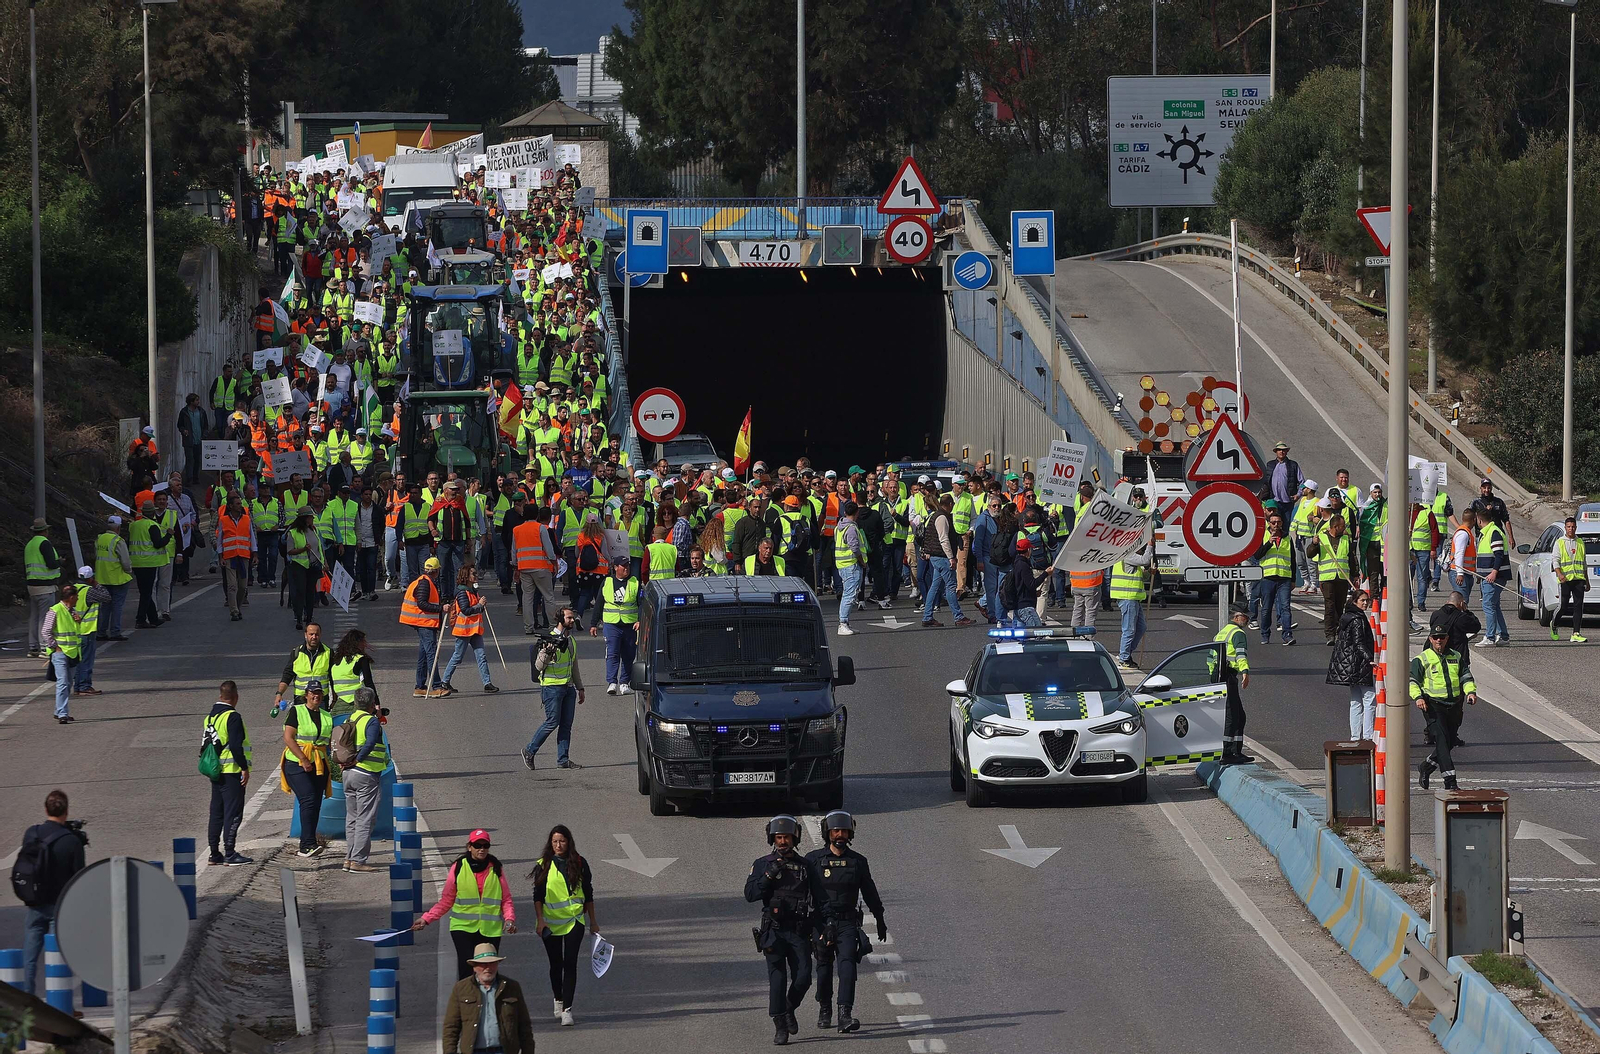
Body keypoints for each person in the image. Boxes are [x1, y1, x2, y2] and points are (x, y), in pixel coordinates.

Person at [744, 815, 825, 1046]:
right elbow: (750, 895)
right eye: (779, 837)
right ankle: (780, 1024)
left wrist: (824, 927)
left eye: (786, 837)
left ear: (794, 838)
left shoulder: (806, 866)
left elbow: (820, 899)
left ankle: (788, 1008)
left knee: (804, 977)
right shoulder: (762, 863)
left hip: (799, 930)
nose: (782, 842)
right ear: (773, 839)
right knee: (777, 979)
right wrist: (769, 875)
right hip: (774, 930)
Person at [804, 811, 886, 1034]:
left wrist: (879, 917)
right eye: (835, 831)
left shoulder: (858, 861)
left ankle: (844, 1014)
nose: (840, 835)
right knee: (823, 969)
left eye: (844, 831)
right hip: (821, 923)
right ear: (827, 833)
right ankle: (824, 1007)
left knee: (848, 967)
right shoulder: (812, 860)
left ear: (851, 833)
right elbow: (801, 892)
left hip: (848, 923)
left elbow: (869, 891)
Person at [415, 831, 517, 979]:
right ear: (469, 847)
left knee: (487, 972)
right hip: (462, 927)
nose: (481, 849)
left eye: (485, 845)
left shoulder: (495, 868)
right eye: (477, 845)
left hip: (490, 929)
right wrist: (426, 919)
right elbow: (446, 900)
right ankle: (466, 1001)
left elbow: (505, 899)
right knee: (467, 970)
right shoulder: (458, 867)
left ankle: (486, 1001)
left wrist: (509, 919)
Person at [15, 790, 87, 994]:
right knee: (58, 958)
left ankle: (27, 1001)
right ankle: (61, 1004)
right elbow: (79, 878)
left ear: (46, 809)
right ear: (66, 811)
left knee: (29, 958)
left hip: (35, 902)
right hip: (60, 906)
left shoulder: (32, 833)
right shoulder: (72, 841)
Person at [528, 824, 598, 1026]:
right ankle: (558, 999)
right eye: (555, 841)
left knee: (570, 964)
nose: (559, 845)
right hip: (550, 923)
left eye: (562, 841)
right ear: (551, 844)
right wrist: (540, 920)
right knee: (555, 964)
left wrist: (593, 922)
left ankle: (567, 1009)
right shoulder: (544, 865)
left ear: (569, 842)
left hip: (575, 920)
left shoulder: (579, 862)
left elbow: (588, 893)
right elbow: (538, 896)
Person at [1411, 627, 1478, 791]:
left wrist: (1470, 692)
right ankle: (1450, 782)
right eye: (1435, 637)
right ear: (1430, 639)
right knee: (1441, 740)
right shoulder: (1422, 659)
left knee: (1449, 742)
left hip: (1454, 705)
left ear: (1447, 638)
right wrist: (1418, 697)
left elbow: (1466, 676)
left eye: (1441, 637)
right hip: (1432, 705)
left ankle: (1426, 767)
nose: (1438, 640)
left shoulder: (1456, 656)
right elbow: (1413, 681)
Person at [440, 943, 535, 1054]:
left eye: (492, 963)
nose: (488, 968)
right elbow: (451, 1028)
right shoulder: (461, 988)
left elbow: (524, 1026)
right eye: (483, 964)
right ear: (474, 966)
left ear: (497, 964)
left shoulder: (512, 987)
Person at [524, 606, 584, 770]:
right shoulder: (549, 639)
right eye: (569, 618)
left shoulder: (570, 640)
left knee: (566, 725)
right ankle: (529, 750)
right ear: (560, 619)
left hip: (568, 688)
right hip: (552, 688)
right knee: (552, 722)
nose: (572, 621)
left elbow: (574, 666)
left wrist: (580, 688)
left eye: (572, 618)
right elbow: (538, 666)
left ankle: (563, 760)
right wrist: (548, 653)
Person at [280, 678, 333, 858]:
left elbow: (328, 741)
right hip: (296, 763)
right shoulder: (297, 711)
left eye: (318, 693)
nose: (315, 696)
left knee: (316, 802)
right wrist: (303, 758)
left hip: (318, 763)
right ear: (306, 695)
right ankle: (307, 845)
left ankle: (309, 842)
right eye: (312, 693)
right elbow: (288, 738)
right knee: (308, 798)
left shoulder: (326, 715)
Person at [339, 687, 389, 873]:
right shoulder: (371, 721)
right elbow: (370, 743)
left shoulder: (349, 719)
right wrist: (358, 759)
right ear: (371, 703)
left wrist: (348, 762)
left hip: (348, 774)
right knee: (365, 818)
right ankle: (358, 861)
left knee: (352, 817)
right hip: (366, 773)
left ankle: (348, 858)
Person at [204, 680, 253, 866]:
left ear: (220, 696)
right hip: (231, 771)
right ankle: (230, 852)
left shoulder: (209, 717)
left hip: (215, 771)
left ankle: (214, 853)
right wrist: (244, 767)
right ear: (236, 698)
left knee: (216, 812)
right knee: (233, 813)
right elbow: (235, 746)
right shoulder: (232, 717)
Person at [441, 566, 499, 694]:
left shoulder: (473, 591)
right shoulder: (462, 593)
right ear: (466, 576)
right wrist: (479, 605)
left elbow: (476, 609)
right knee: (458, 657)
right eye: (473, 573)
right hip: (464, 631)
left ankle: (487, 683)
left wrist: (481, 606)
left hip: (475, 629)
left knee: (481, 656)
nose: (476, 575)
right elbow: (466, 610)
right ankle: (444, 681)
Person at [1327, 590, 1376, 741]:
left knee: (1355, 701)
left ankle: (1355, 736)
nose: (1365, 603)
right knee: (1370, 699)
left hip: (1349, 664)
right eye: (1362, 600)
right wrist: (1369, 659)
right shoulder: (1358, 620)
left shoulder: (1347, 616)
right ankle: (1368, 736)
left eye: (1367, 600)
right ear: (1355, 601)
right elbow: (1359, 642)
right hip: (1358, 664)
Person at [920, 494, 972, 628]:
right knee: (950, 586)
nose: (953, 507)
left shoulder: (937, 515)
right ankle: (958, 617)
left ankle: (927, 616)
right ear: (949, 504)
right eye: (952, 504)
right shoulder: (942, 517)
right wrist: (951, 557)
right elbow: (943, 539)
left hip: (936, 556)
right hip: (942, 557)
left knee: (935, 586)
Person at [402, 556, 450, 697]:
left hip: (423, 622)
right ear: (436, 571)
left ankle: (420, 686)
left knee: (424, 654)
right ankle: (435, 686)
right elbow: (422, 604)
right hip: (423, 622)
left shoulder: (424, 581)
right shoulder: (425, 583)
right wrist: (441, 608)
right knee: (431, 654)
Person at [1307, 510, 1356, 644]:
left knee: (1340, 605)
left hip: (1342, 577)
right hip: (1327, 578)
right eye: (1342, 526)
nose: (1345, 528)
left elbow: (1351, 558)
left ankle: (1340, 631)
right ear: (1335, 527)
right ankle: (1330, 633)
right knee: (1330, 605)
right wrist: (1314, 544)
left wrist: (1355, 575)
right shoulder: (1322, 538)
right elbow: (1310, 554)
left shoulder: (1346, 539)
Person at [41, 583, 84, 724]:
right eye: (76, 597)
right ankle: (62, 714)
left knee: (68, 682)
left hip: (73, 652)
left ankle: (58, 711)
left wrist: (79, 621)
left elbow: (74, 631)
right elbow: (46, 631)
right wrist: (55, 647)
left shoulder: (72, 611)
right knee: (63, 682)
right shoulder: (55, 610)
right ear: (71, 597)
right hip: (60, 653)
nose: (78, 599)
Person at [1217, 602, 1253, 764]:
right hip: (1228, 676)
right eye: (1245, 617)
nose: (1247, 620)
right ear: (1237, 617)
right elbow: (1240, 655)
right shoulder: (1238, 633)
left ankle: (1235, 750)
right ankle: (1227, 752)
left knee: (1239, 715)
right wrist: (1245, 672)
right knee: (1233, 715)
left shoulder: (1222, 632)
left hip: (1219, 676)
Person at [272, 621, 332, 716]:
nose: (314, 637)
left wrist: (335, 699)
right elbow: (287, 675)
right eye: (311, 634)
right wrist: (279, 693)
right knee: (302, 728)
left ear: (320, 635)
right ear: (305, 635)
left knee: (322, 728)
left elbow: (333, 679)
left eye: (316, 634)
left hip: (320, 699)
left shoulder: (328, 653)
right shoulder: (296, 653)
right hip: (301, 700)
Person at [598, 558, 640, 695]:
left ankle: (624, 683)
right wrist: (593, 624)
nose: (626, 568)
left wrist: (640, 620)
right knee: (612, 653)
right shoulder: (607, 582)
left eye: (628, 566)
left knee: (629, 655)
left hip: (629, 625)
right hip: (612, 624)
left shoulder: (635, 582)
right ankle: (612, 682)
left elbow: (642, 603)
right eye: (623, 566)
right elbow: (599, 602)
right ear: (616, 567)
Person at [1254, 511, 1296, 645]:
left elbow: (1292, 560)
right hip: (1268, 577)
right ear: (1269, 524)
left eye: (1278, 522)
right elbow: (1257, 555)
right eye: (1273, 523)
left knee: (1285, 607)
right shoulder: (1263, 535)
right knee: (1266, 608)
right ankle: (1265, 634)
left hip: (1284, 577)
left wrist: (1293, 579)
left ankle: (1287, 634)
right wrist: (1268, 543)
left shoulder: (1287, 538)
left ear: (1282, 523)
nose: (1276, 525)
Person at [24, 517, 62, 658]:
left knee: (34, 617)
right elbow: (51, 563)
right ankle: (45, 647)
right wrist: (61, 562)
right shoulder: (44, 543)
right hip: (45, 585)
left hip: (32, 585)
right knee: (45, 617)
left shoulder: (29, 545)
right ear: (45, 531)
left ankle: (33, 647)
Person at [1476, 502, 1512, 646]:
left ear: (1479, 520)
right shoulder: (1487, 533)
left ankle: (1490, 637)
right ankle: (1503, 636)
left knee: (1488, 604)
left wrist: (1493, 572)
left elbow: (1498, 555)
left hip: (1493, 577)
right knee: (1494, 605)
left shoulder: (1494, 532)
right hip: (1489, 576)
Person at [216, 491, 255, 621]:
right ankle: (234, 611)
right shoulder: (224, 520)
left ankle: (237, 607)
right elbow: (220, 539)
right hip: (229, 556)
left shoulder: (247, 519)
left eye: (241, 503)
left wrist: (255, 554)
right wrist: (220, 556)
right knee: (232, 585)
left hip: (244, 555)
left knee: (243, 586)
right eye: (238, 504)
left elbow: (252, 537)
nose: (240, 506)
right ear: (231, 506)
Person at [93, 516, 132, 642]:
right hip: (117, 578)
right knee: (117, 606)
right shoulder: (118, 540)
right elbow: (125, 562)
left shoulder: (99, 539)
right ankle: (115, 631)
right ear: (119, 528)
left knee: (105, 606)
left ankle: (101, 632)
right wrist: (129, 571)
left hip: (102, 578)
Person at [284, 508, 324, 630]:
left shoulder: (314, 530)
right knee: (300, 592)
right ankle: (299, 617)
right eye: (311, 517)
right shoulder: (293, 532)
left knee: (310, 592)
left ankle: (309, 617)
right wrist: (303, 549)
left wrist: (324, 562)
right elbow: (290, 551)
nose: (313, 519)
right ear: (305, 518)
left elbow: (319, 549)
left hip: (312, 565)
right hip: (298, 565)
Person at [1552, 515, 1589, 643]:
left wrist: (1587, 580)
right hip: (1565, 580)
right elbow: (1555, 561)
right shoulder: (1559, 542)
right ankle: (1554, 624)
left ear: (1576, 528)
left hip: (1579, 579)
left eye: (1573, 527)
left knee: (1578, 606)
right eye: (1568, 527)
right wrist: (1560, 574)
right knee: (1563, 606)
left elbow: (1584, 562)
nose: (1571, 529)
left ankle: (1576, 633)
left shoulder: (1580, 542)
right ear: (1565, 528)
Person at [1110, 550, 1149, 670]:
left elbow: (1142, 575)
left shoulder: (1132, 557)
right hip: (1127, 597)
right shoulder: (1127, 555)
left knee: (1141, 627)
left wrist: (1148, 572)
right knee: (1129, 629)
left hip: (1134, 597)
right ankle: (1124, 658)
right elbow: (1145, 560)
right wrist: (1150, 546)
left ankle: (1126, 654)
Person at [998, 539, 1050, 627]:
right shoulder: (1024, 565)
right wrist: (1045, 573)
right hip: (1026, 607)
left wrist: (1033, 593)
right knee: (1037, 633)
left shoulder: (1016, 564)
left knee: (1022, 637)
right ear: (1028, 550)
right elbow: (1032, 584)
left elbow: (1021, 585)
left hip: (1018, 606)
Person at [834, 500, 865, 635]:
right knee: (850, 594)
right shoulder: (851, 528)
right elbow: (855, 548)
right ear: (856, 512)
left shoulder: (839, 527)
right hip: (851, 564)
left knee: (849, 592)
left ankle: (846, 623)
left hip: (842, 564)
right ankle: (843, 623)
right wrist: (862, 561)